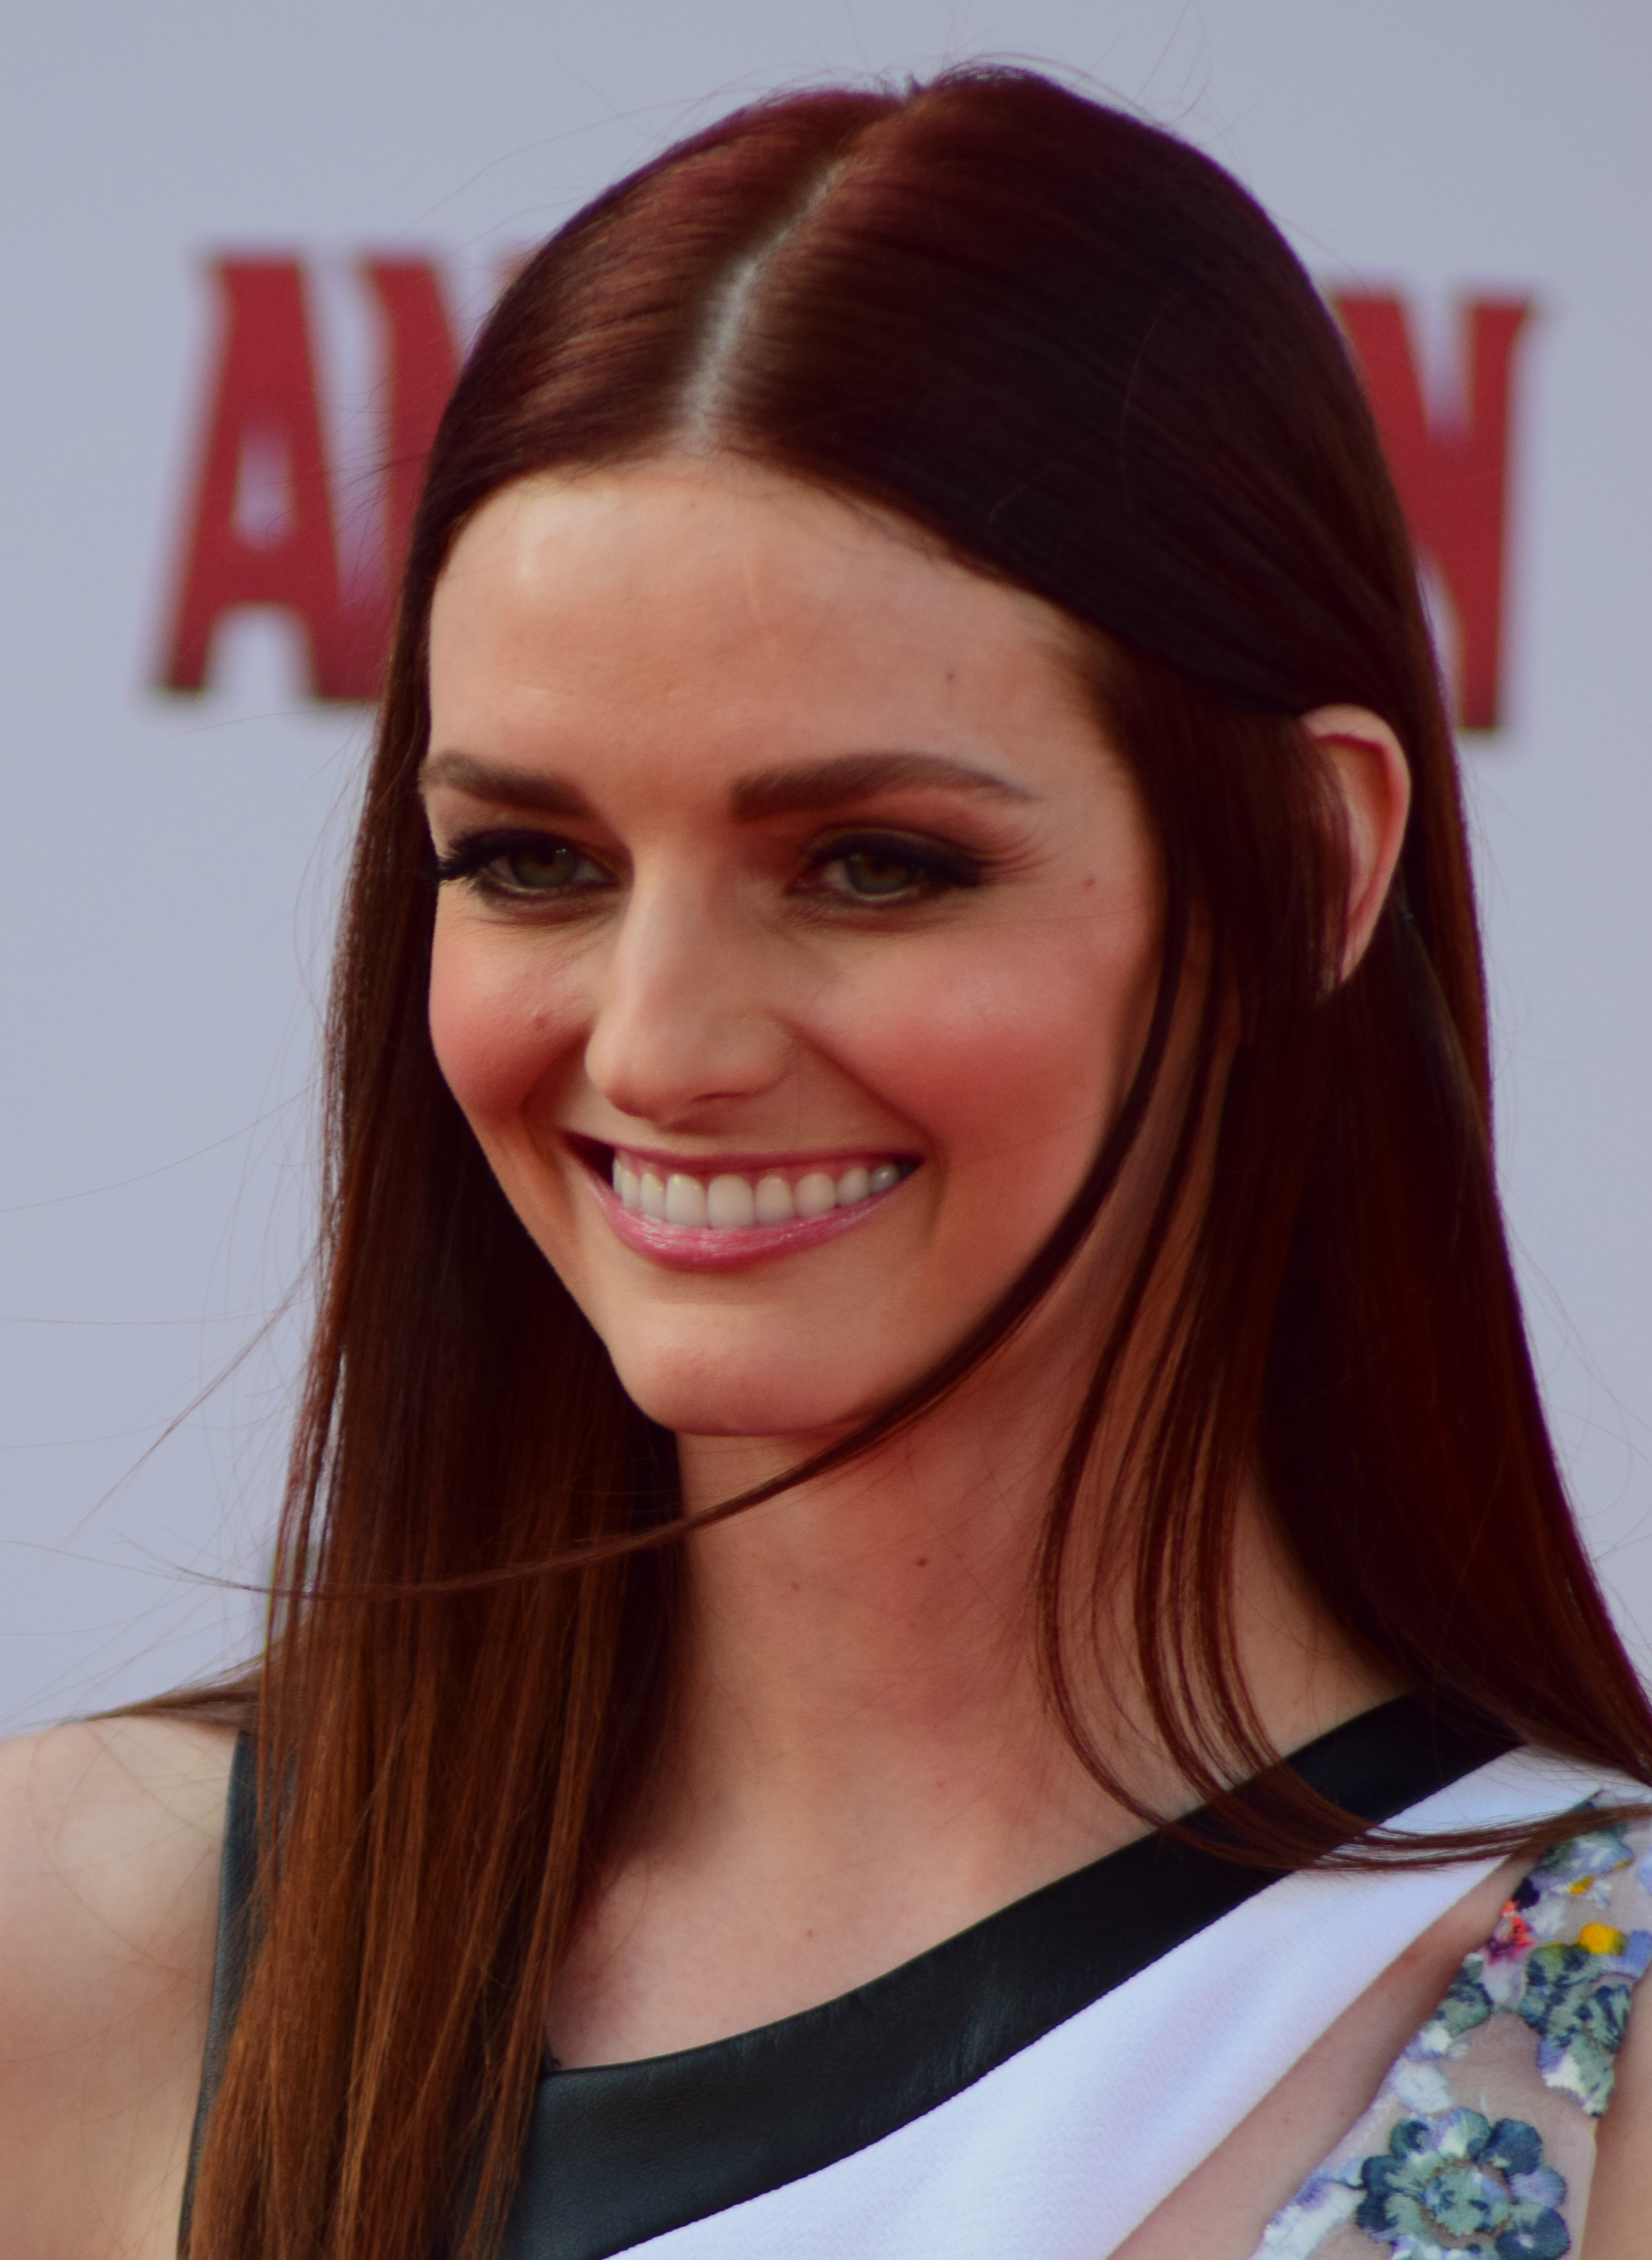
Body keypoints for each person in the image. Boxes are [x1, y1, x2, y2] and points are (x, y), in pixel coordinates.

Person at [3, 65, 1651, 2260]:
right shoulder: (80, 1948)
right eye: (532, 859)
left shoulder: (1597, 2060)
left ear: (1309, 867)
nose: (659, 1045)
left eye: (873, 862)